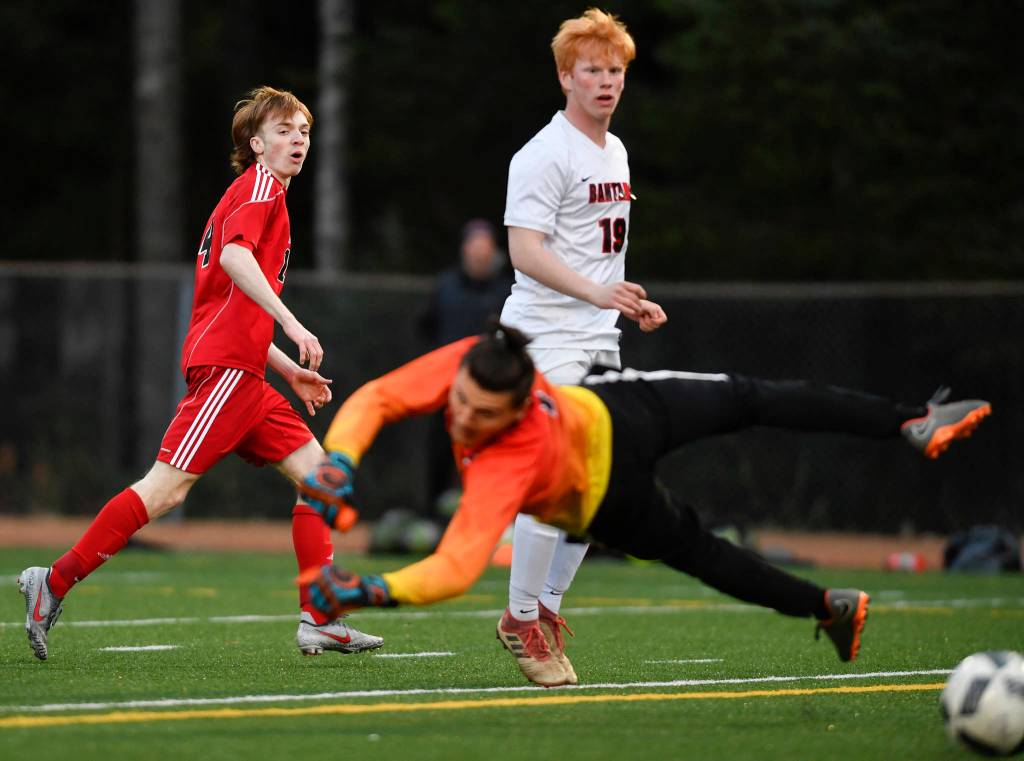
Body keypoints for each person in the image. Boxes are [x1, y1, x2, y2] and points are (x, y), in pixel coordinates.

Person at [296, 325, 991, 686]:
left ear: (516, 408)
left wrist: (371, 590)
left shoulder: (511, 453)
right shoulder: (480, 372)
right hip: (613, 458)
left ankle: (908, 420)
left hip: (612, 444)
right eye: (459, 402)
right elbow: (380, 398)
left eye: (480, 413)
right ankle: (827, 605)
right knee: (705, 551)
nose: (462, 417)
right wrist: (341, 461)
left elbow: (454, 564)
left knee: (753, 401)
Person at [17, 86, 381, 661]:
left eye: (304, 132)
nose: (297, 141)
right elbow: (235, 262)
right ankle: (52, 582)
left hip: (247, 374)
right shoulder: (260, 187)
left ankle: (321, 618)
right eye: (284, 131)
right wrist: (293, 325)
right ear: (256, 145)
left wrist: (286, 368)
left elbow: (235, 307)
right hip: (226, 374)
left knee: (320, 479)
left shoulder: (267, 196)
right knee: (165, 491)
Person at [496, 8, 666, 686]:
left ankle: (541, 609)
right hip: (542, 337)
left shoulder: (615, 151)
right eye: (591, 69)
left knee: (608, 486)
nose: (605, 81)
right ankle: (520, 619)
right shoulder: (542, 154)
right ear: (566, 76)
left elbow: (599, 254)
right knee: (559, 473)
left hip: (598, 338)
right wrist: (597, 295)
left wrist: (626, 297)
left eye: (615, 70)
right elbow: (524, 250)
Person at [418, 219, 513, 515]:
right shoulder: (446, 286)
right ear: (464, 250)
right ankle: (435, 516)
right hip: (448, 383)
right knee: (439, 448)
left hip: (490, 387)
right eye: (474, 246)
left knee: (493, 449)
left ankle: (492, 512)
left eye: (484, 248)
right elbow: (426, 326)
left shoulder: (506, 290)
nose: (479, 253)